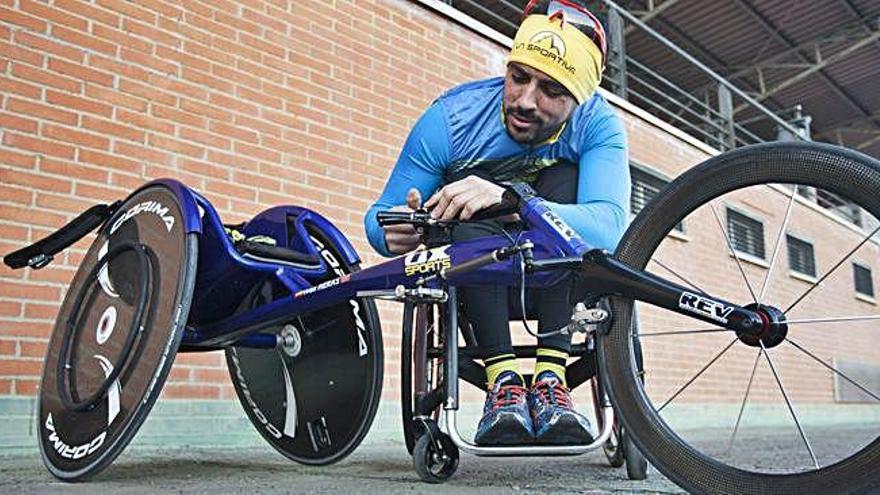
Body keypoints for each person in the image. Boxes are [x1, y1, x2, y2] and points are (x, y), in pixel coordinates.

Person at [365, 0, 630, 446]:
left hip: (556, 273)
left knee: (565, 179)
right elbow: (379, 219)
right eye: (519, 76)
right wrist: (400, 230)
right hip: (476, 265)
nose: (526, 100)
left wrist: (518, 202)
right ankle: (502, 384)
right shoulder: (450, 120)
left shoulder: (598, 125)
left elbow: (609, 226)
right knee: (467, 197)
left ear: (578, 99)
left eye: (551, 90)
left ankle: (551, 379)